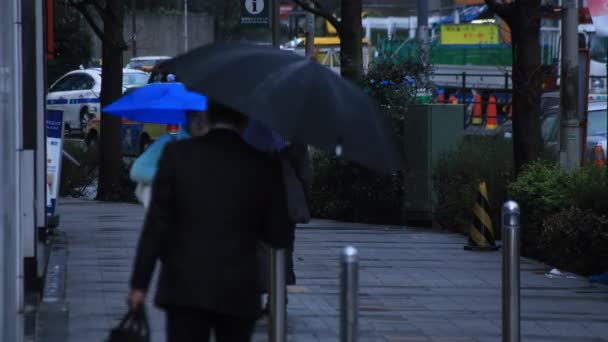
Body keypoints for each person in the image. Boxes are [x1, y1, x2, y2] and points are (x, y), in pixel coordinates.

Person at [127, 102, 290, 342]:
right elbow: (278, 234)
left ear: (208, 116)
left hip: (184, 286)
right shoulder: (263, 165)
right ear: (245, 121)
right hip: (238, 288)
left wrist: (139, 284)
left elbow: (156, 226)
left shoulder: (178, 156)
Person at [243, 119, 313, 315]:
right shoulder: (291, 130)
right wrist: (305, 194)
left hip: (255, 194)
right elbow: (304, 167)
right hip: (284, 196)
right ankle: (278, 297)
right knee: (283, 247)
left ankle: (260, 296)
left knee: (255, 247)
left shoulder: (247, 125)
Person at [129, 110, 209, 210]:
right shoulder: (170, 140)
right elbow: (138, 170)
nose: (201, 122)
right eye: (196, 116)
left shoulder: (218, 145)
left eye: (207, 117)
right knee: (147, 188)